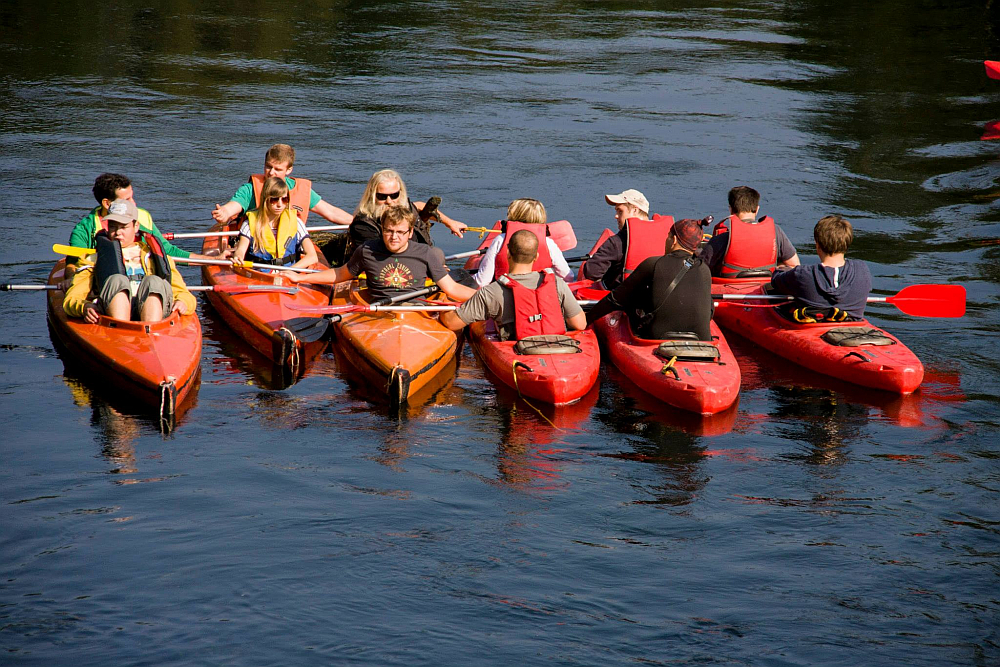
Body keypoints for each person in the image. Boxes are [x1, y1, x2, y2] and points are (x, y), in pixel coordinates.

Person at [286, 205, 475, 303]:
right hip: (378, 312)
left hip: (415, 312)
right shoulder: (367, 250)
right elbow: (339, 274)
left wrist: (484, 296)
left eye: (400, 232)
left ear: (410, 233)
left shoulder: (425, 253)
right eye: (389, 231)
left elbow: (451, 288)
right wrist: (300, 278)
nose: (394, 237)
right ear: (382, 230)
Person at [63, 199, 196, 323]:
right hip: (113, 318)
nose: (118, 232)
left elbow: (184, 294)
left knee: (153, 281)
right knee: (117, 280)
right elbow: (72, 299)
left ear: (136, 226)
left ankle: (151, 331)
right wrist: (84, 307)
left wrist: (183, 302)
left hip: (154, 318)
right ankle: (121, 329)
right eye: (113, 227)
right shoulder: (93, 259)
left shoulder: (155, 256)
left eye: (123, 227)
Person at [65, 173, 214, 279]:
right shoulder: (83, 230)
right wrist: (71, 281)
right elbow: (73, 265)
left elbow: (167, 252)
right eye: (127, 199)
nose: (134, 203)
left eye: (132, 197)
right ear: (107, 203)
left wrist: (210, 259)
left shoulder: (141, 217)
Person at [441, 230, 586, 339]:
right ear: (536, 256)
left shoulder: (491, 292)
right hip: (556, 347)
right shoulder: (557, 283)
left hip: (517, 352)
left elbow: (452, 323)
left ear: (508, 253)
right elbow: (580, 324)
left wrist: (444, 298)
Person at [586, 219, 713, 341]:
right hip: (701, 340)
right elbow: (710, 311)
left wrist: (587, 319)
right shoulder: (704, 270)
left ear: (674, 240)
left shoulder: (653, 264)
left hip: (657, 339)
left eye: (668, 237)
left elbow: (615, 299)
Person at [211, 143, 353, 226]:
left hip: (289, 246)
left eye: (278, 169)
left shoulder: (301, 190)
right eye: (268, 167)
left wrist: (357, 222)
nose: (271, 173)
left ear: (289, 170)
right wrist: (224, 213)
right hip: (256, 245)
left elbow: (331, 212)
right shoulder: (250, 189)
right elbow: (233, 206)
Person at [770, 215, 872, 320]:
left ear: (817, 245)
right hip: (853, 326)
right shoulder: (862, 270)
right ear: (847, 243)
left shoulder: (803, 274)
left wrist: (783, 268)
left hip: (811, 325)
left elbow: (775, 281)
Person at [347, 169, 467, 253]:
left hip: (423, 260)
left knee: (438, 254)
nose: (389, 201)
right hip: (387, 270)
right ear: (372, 196)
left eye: (394, 195)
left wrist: (450, 223)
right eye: (382, 197)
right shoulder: (363, 225)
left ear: (401, 193)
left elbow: (419, 205)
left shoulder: (405, 208)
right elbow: (376, 257)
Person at [581, 189, 676, 290]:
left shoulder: (617, 242)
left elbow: (591, 273)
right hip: (658, 294)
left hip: (622, 296)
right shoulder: (669, 237)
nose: (616, 216)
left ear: (635, 210)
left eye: (620, 211)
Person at [471, 198, 574, 288]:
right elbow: (568, 276)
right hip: (539, 294)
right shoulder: (549, 243)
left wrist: (465, 282)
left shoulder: (500, 240)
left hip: (505, 293)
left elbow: (483, 281)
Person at [699, 185, 800, 278]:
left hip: (728, 286)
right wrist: (777, 267)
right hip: (765, 286)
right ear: (757, 209)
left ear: (731, 210)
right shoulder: (776, 232)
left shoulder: (721, 239)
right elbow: (794, 265)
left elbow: (698, 270)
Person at [230, 176, 319, 272]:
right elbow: (241, 250)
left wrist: (290, 271)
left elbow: (312, 256)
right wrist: (238, 257)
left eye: (284, 199)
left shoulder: (296, 222)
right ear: (265, 199)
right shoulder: (249, 223)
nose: (280, 204)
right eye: (274, 199)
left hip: (289, 274)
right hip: (259, 274)